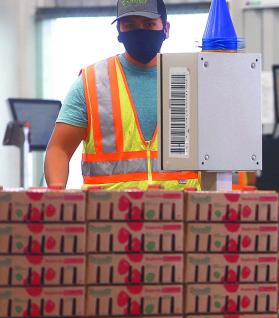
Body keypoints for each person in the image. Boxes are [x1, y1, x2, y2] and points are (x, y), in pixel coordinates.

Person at [44, 0, 198, 190]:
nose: (139, 31)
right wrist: (57, 194)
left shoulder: (192, 80)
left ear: (166, 29)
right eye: (130, 25)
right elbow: (59, 149)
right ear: (119, 31)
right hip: (108, 213)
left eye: (149, 24)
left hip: (180, 212)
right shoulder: (92, 82)